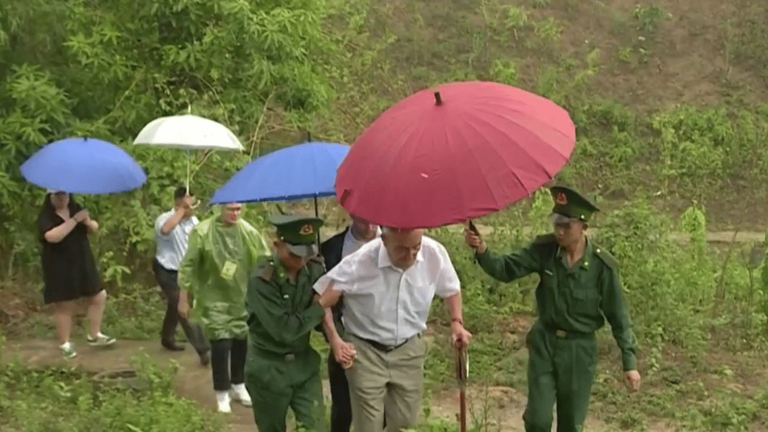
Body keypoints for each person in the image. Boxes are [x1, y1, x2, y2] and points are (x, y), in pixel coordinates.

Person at [464, 184, 641, 432]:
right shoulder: (544, 251)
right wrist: (482, 250)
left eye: (566, 225)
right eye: (556, 223)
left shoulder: (602, 266)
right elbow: (506, 269)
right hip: (545, 343)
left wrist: (629, 363)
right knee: (537, 419)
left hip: (579, 351)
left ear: (583, 227)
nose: (559, 231)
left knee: (571, 424)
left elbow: (618, 315)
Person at [314, 227, 472, 432]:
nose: (411, 255)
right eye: (402, 249)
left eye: (416, 247)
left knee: (405, 422)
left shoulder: (434, 253)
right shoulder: (361, 261)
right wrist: (335, 340)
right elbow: (322, 300)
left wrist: (456, 322)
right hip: (364, 351)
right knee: (369, 425)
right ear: (385, 240)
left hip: (408, 349)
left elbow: (451, 288)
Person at [177, 202, 270, 413]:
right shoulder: (202, 232)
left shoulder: (247, 232)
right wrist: (184, 297)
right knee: (221, 343)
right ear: (220, 208)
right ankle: (221, 391)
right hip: (213, 296)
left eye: (238, 209)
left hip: (241, 296)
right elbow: (188, 265)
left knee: (240, 341)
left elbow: (264, 261)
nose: (235, 213)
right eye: (231, 209)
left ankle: (239, 384)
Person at [245, 214, 329, 432]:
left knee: (316, 427)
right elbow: (284, 330)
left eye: (306, 253)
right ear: (277, 245)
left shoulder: (314, 269)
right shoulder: (262, 281)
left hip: (304, 366)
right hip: (269, 370)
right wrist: (319, 308)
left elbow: (326, 317)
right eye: (294, 254)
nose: (300, 261)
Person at [319, 214, 380, 432]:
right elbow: (321, 299)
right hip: (347, 336)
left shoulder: (395, 242)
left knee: (381, 414)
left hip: (384, 341)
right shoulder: (332, 249)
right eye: (366, 219)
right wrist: (336, 338)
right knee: (343, 410)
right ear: (353, 214)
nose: (372, 225)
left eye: (376, 218)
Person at [37, 189, 116, 359]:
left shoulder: (76, 209)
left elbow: (95, 228)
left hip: (82, 259)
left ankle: (94, 334)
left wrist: (87, 221)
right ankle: (65, 343)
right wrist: (74, 221)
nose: (62, 199)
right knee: (65, 303)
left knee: (98, 295)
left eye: (65, 195)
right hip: (59, 264)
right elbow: (52, 236)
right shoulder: (46, 216)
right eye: (58, 196)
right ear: (50, 197)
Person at [152, 186, 210, 365]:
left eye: (192, 202)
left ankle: (167, 338)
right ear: (177, 201)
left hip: (185, 271)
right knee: (181, 305)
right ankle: (203, 349)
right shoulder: (164, 218)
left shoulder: (194, 221)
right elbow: (166, 229)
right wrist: (181, 210)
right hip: (166, 268)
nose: (191, 206)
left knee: (174, 304)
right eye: (187, 202)